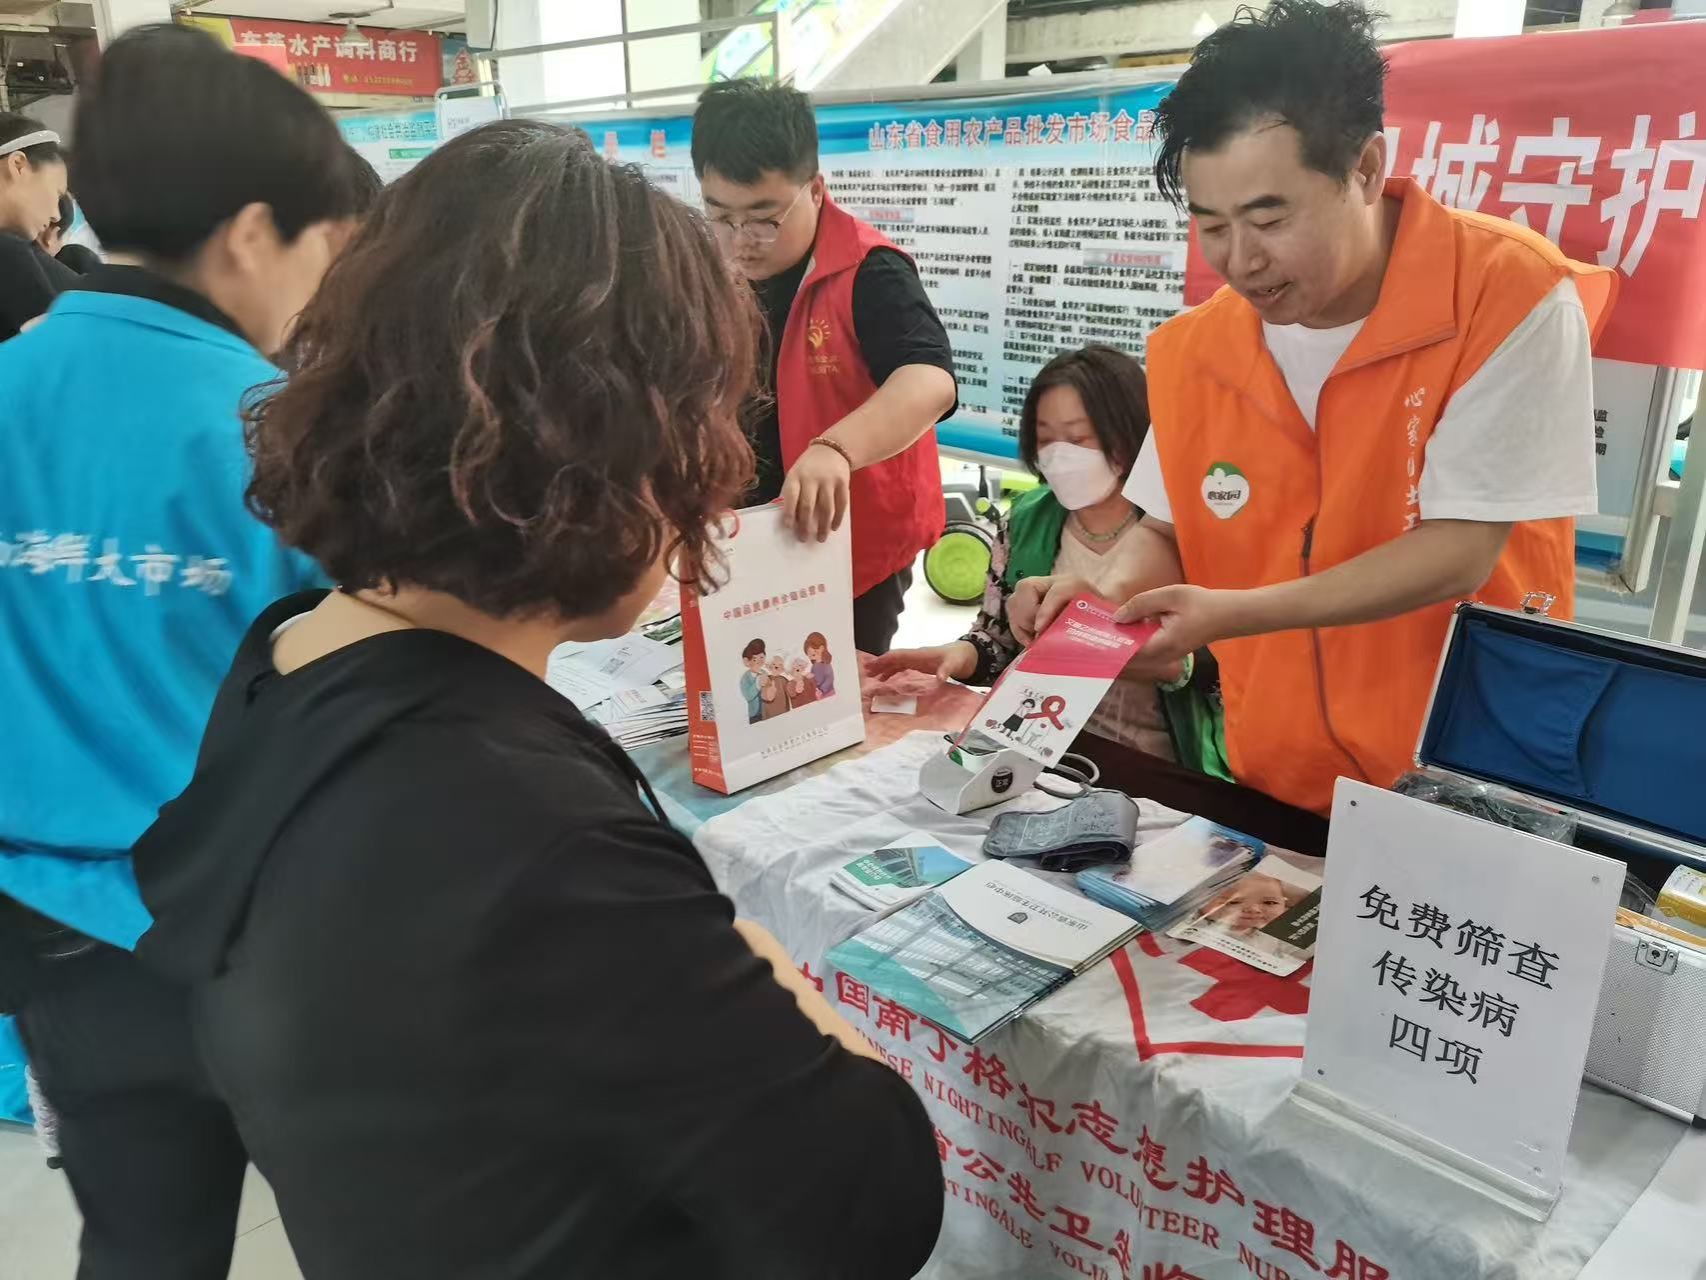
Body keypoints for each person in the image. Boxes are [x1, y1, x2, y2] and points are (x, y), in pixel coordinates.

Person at [130, 120, 943, 1280]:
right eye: (703, 419)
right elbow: (871, 1201)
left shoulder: (291, 655)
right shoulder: (546, 850)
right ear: (610, 455)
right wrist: (759, 960)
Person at [1013, 0, 1613, 815]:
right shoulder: (1196, 348)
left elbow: (1460, 551)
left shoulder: (1506, 294)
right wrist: (1103, 605)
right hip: (1278, 771)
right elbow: (1163, 529)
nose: (1241, 261)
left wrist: (1231, 614)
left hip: (1469, 772)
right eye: (1212, 226)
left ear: (1363, 168)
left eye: (1269, 217)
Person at [0, 24, 374, 1279]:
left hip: (52, 942)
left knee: (141, 1244)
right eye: (325, 247)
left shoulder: (6, 387)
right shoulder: (281, 431)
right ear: (254, 233)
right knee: (365, 1230)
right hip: (261, 943)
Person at [692, 80, 959, 655]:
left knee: (831, 682)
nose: (742, 241)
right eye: (720, 215)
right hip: (746, 530)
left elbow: (928, 379)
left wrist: (835, 448)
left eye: (764, 217)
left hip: (848, 543)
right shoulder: (716, 269)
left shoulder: (870, 270)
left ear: (815, 189)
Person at [871, 346, 1227, 774]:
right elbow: (1000, 640)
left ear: (1127, 436)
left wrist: (1168, 664)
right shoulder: (1024, 522)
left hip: (1162, 761)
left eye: (1077, 440)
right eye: (1045, 439)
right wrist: (959, 656)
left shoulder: (1180, 529)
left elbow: (1229, 664)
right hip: (1046, 752)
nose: (1059, 455)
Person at [0, 112, 72, 340]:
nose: (55, 214)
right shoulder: (7, 253)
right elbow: (62, 348)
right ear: (18, 165)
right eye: (57, 193)